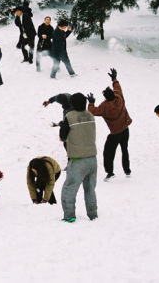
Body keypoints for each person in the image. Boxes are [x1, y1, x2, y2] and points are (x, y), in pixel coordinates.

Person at [87, 68, 133, 181]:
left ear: (106, 98)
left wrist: (91, 102)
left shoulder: (105, 106)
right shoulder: (119, 97)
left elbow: (92, 111)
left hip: (115, 133)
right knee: (124, 149)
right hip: (126, 129)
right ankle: (127, 170)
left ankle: (110, 172)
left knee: (108, 153)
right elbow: (117, 88)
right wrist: (114, 79)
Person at [59, 93, 98, 222]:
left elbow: (62, 137)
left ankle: (69, 216)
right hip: (92, 159)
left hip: (77, 160)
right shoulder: (90, 115)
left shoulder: (69, 117)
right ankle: (93, 214)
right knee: (90, 189)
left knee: (69, 189)